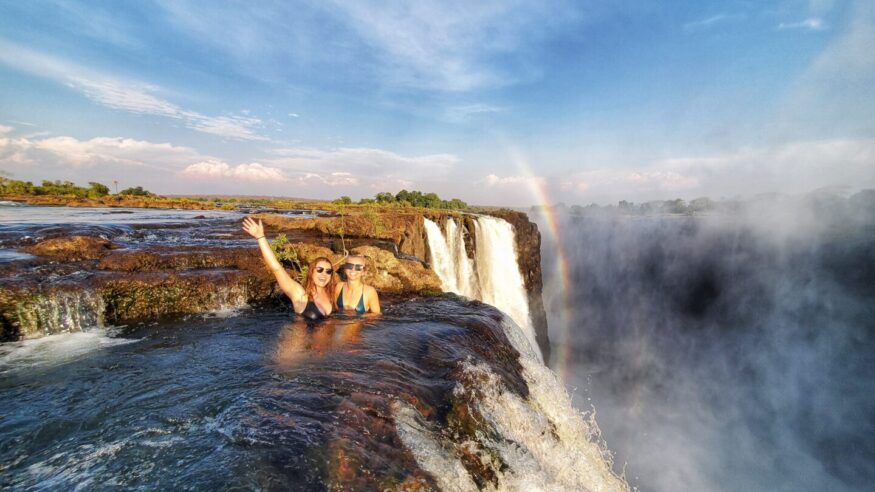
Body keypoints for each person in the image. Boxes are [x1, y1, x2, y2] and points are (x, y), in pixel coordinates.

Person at [242, 217, 335, 321]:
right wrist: (260, 237)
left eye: (328, 271)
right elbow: (277, 268)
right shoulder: (299, 294)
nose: (324, 274)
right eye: (319, 270)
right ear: (311, 272)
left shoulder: (332, 294)